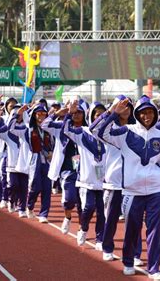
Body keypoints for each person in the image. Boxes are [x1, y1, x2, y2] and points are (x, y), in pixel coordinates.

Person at [95, 96, 160, 280]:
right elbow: (98, 131)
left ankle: (154, 269)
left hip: (155, 191)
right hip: (131, 192)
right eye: (143, 112)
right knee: (132, 229)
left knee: (155, 230)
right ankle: (128, 261)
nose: (146, 116)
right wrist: (112, 114)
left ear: (155, 114)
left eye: (150, 112)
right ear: (137, 114)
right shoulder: (126, 132)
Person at [90, 95, 143, 265]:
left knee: (134, 220)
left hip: (133, 182)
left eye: (128, 106)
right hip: (114, 181)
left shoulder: (136, 128)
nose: (124, 109)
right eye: (121, 106)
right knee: (111, 218)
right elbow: (93, 129)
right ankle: (107, 248)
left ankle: (135, 253)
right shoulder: (109, 128)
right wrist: (111, 113)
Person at [63, 101, 106, 249]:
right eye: (96, 115)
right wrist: (69, 114)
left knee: (102, 211)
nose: (99, 118)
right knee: (88, 207)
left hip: (103, 181)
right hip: (86, 180)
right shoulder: (82, 132)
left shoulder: (109, 134)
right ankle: (83, 228)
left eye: (102, 115)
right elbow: (67, 131)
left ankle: (100, 239)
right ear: (91, 116)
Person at [41, 100, 87, 234]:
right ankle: (67, 217)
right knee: (69, 198)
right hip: (67, 168)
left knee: (82, 202)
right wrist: (58, 113)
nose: (76, 114)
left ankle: (81, 228)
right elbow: (44, 124)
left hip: (85, 169)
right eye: (74, 112)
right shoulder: (61, 126)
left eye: (79, 112)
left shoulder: (88, 129)